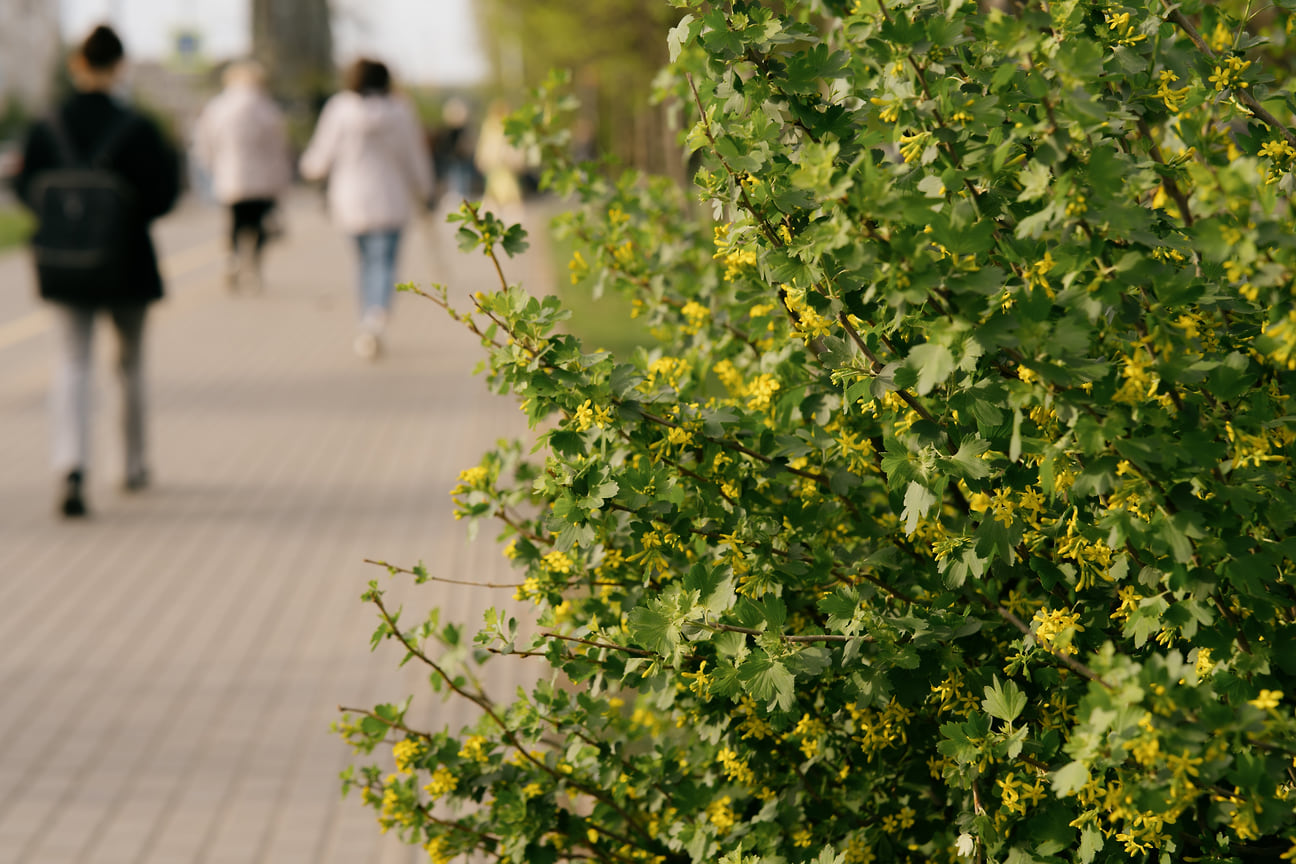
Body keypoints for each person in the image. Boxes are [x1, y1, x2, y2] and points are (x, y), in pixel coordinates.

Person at [11, 24, 181, 518]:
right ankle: (129, 464)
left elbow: (27, 189)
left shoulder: (47, 126)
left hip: (64, 264)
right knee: (128, 364)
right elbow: (164, 196)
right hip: (128, 262)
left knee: (72, 361)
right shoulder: (139, 128)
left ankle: (71, 464)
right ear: (121, 66)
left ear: (76, 65)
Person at [299, 58, 432, 360]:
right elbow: (415, 156)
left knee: (364, 262)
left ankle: (367, 321)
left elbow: (321, 155)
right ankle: (376, 317)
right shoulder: (400, 110)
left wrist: (310, 169)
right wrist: (425, 189)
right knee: (384, 261)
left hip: (351, 199)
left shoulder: (340, 109)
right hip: (391, 198)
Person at [192, 59, 291, 292]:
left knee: (235, 221)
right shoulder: (267, 108)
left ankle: (233, 259)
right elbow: (279, 147)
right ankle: (253, 267)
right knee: (257, 224)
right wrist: (281, 179)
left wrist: (212, 166)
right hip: (262, 179)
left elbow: (204, 143)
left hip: (230, 175)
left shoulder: (217, 108)